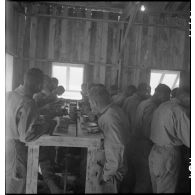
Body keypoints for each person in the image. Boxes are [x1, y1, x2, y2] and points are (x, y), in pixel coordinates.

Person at [6, 68, 61, 193]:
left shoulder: (9, 94)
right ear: (38, 85)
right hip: (15, 149)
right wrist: (48, 125)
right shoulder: (27, 102)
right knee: (17, 185)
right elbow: (26, 136)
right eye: (42, 84)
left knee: (7, 181)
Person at [88, 85, 130, 193]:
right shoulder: (113, 110)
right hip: (112, 167)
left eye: (90, 103)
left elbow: (116, 148)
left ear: (95, 103)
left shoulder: (110, 118)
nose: (90, 106)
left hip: (112, 173)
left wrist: (106, 176)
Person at [148, 86, 190, 193]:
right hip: (169, 155)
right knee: (167, 189)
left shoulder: (163, 105)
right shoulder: (179, 111)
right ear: (186, 97)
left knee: (156, 188)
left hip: (154, 151)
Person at [130, 84, 171, 193]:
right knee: (144, 179)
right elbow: (147, 130)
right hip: (143, 145)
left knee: (139, 178)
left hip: (136, 143)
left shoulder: (144, 103)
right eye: (166, 96)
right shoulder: (152, 106)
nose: (167, 100)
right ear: (160, 94)